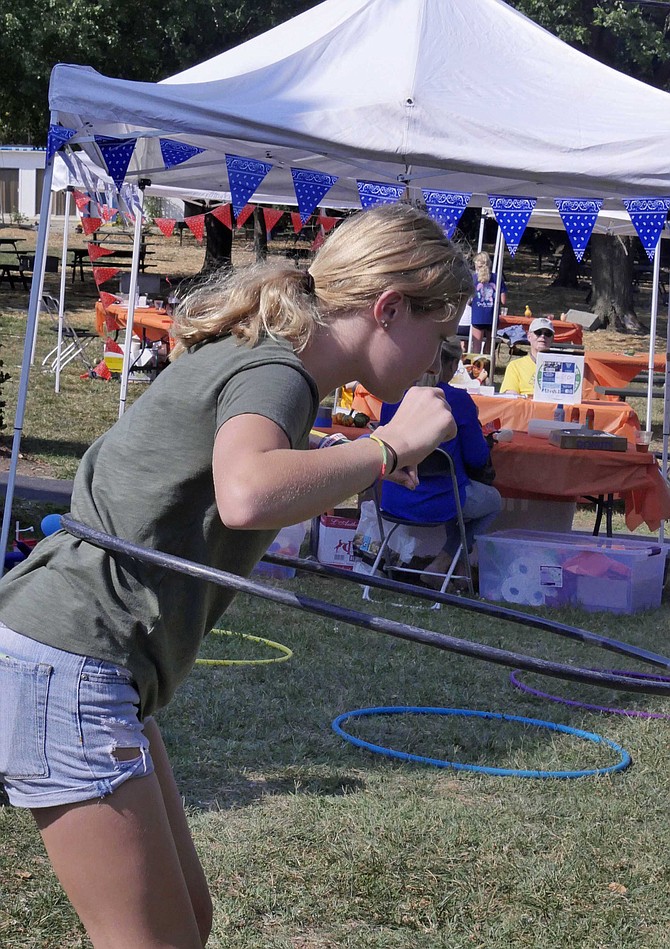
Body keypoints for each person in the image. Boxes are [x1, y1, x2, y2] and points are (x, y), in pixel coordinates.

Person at [0, 203, 474, 948]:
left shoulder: (267, 361)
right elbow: (248, 491)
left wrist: (347, 452)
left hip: (88, 660)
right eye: (438, 338)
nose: (437, 362)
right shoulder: (277, 371)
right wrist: (386, 445)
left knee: (189, 920)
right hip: (74, 659)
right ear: (387, 308)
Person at [379, 338, 502, 590]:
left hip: (393, 499)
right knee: (491, 501)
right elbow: (477, 458)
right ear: (453, 364)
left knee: (457, 491)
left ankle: (451, 566)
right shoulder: (457, 399)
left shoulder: (392, 395)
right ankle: (444, 561)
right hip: (441, 501)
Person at [499, 316, 554, 396]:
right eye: (538, 332)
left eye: (547, 333)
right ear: (529, 336)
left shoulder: (562, 367)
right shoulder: (515, 366)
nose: (542, 336)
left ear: (552, 339)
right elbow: (510, 397)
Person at [470, 251, 506, 354]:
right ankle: (487, 368)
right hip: (492, 318)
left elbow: (469, 300)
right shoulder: (497, 278)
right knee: (489, 349)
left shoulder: (473, 279)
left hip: (477, 317)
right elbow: (503, 301)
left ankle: (476, 368)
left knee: (476, 349)